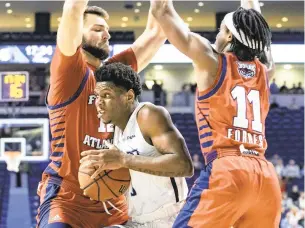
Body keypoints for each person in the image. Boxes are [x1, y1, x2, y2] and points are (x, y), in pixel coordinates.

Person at [36, 0, 167, 227]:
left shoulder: (116, 74)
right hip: (67, 197)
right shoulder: (69, 71)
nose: (106, 35)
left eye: (107, 30)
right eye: (97, 29)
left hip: (112, 197)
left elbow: (157, 32)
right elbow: (73, 8)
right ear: (78, 33)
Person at [151, 0, 281, 227]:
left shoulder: (211, 60)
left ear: (229, 35)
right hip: (266, 177)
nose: (216, 36)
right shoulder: (265, 69)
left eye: (221, 30)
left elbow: (161, 10)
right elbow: (256, 24)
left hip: (228, 170)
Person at [80, 62, 193, 228]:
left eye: (106, 95)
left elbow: (184, 166)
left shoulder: (148, 115)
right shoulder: (115, 135)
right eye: (97, 96)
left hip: (171, 220)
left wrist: (124, 160)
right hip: (137, 221)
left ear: (129, 96)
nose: (99, 102)